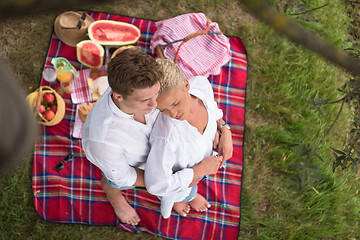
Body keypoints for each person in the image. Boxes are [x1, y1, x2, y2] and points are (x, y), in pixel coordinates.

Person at [81, 48, 163, 226]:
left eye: (156, 94)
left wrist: (221, 126)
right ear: (118, 96)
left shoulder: (135, 88)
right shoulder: (104, 141)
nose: (155, 104)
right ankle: (113, 194)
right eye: (145, 100)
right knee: (114, 180)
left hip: (155, 149)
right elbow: (124, 176)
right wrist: (165, 182)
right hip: (124, 167)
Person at [145, 59, 233, 219]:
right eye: (163, 110)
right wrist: (199, 171)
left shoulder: (201, 85)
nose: (173, 114)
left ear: (186, 85)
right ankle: (182, 199)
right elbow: (156, 185)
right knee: (185, 193)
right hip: (184, 180)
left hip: (203, 165)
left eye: (176, 103)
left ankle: (189, 195)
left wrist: (224, 129)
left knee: (193, 187)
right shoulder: (165, 138)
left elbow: (213, 109)